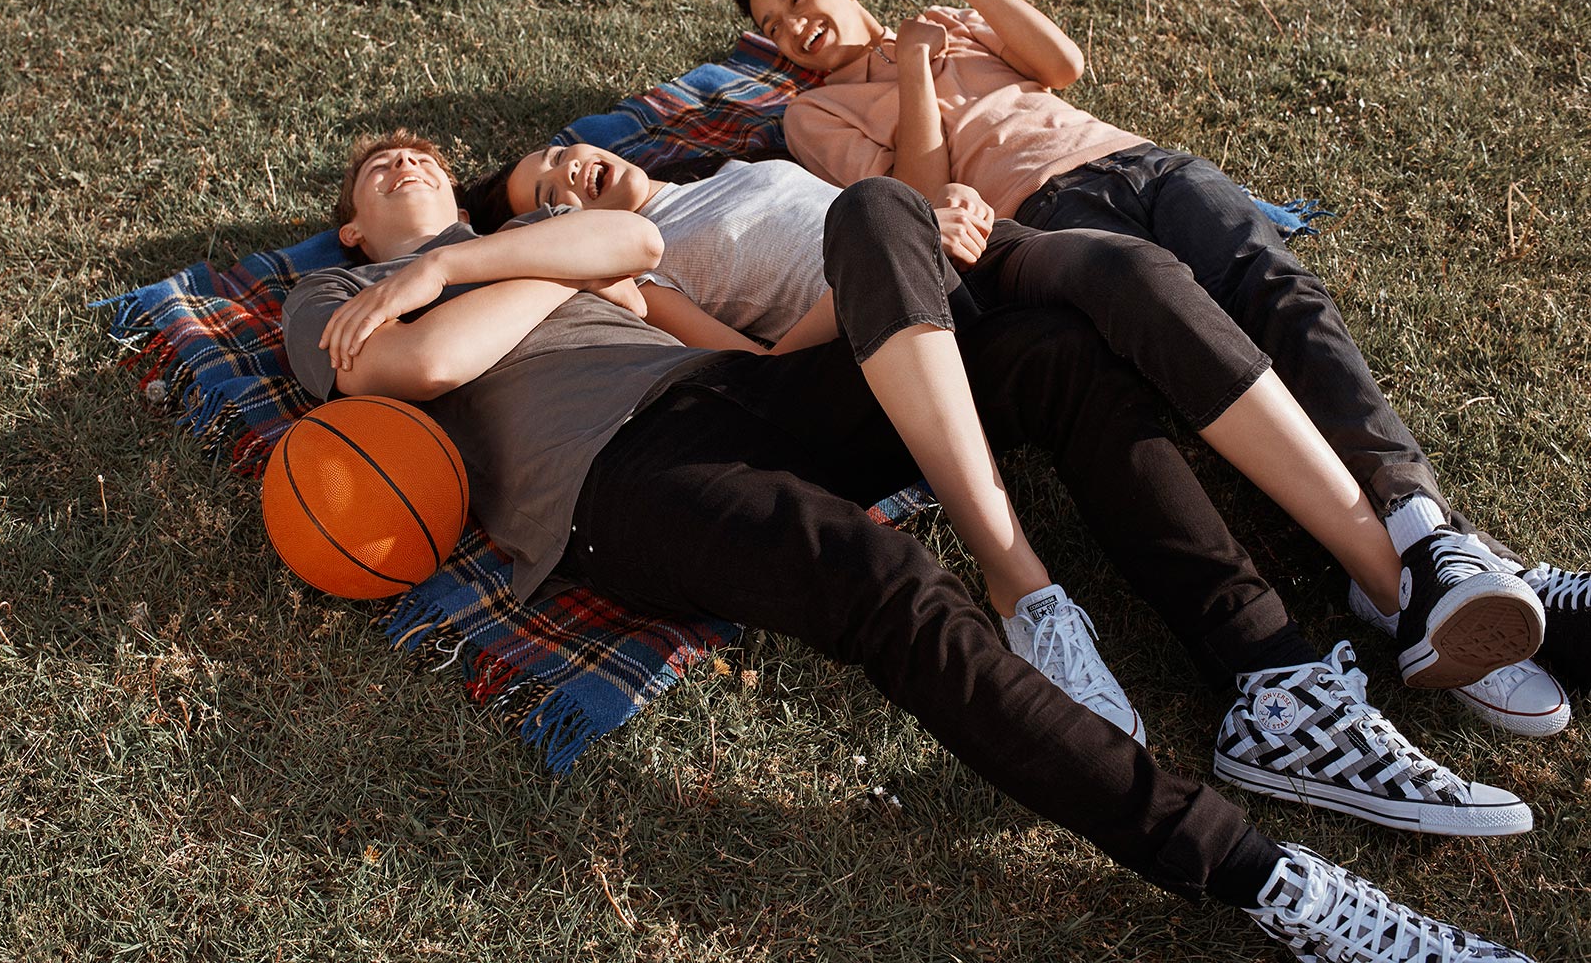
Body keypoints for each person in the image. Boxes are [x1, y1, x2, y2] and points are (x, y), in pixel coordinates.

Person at [278, 130, 1539, 962]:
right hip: (614, 484)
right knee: (881, 581)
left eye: (420, 151)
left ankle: (1269, 678)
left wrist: (481, 263)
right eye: (376, 169)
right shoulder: (328, 299)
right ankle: (1269, 883)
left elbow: (638, 244)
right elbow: (426, 366)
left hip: (723, 396)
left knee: (1046, 351)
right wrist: (467, 278)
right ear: (349, 235)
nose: (403, 158)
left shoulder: (499, 250)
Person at [465, 140, 1554, 826]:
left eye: (560, 153)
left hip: (966, 251)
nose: (570, 174)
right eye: (545, 195)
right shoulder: (633, 268)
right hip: (892, 329)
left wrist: (941, 212)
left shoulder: (743, 159)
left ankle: (1398, 580)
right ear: (543, 231)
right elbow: (761, 377)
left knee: (1130, 270)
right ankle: (1032, 595)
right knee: (874, 216)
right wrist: (892, 256)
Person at [726, 0, 1589, 710]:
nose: (794, 27)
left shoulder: (953, 17)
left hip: (1141, 165)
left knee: (1281, 296)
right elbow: (919, 208)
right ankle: (1427, 579)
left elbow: (1061, 65)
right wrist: (914, 67)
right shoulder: (813, 113)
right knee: (1194, 337)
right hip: (1040, 217)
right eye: (773, 26)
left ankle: (1422, 536)